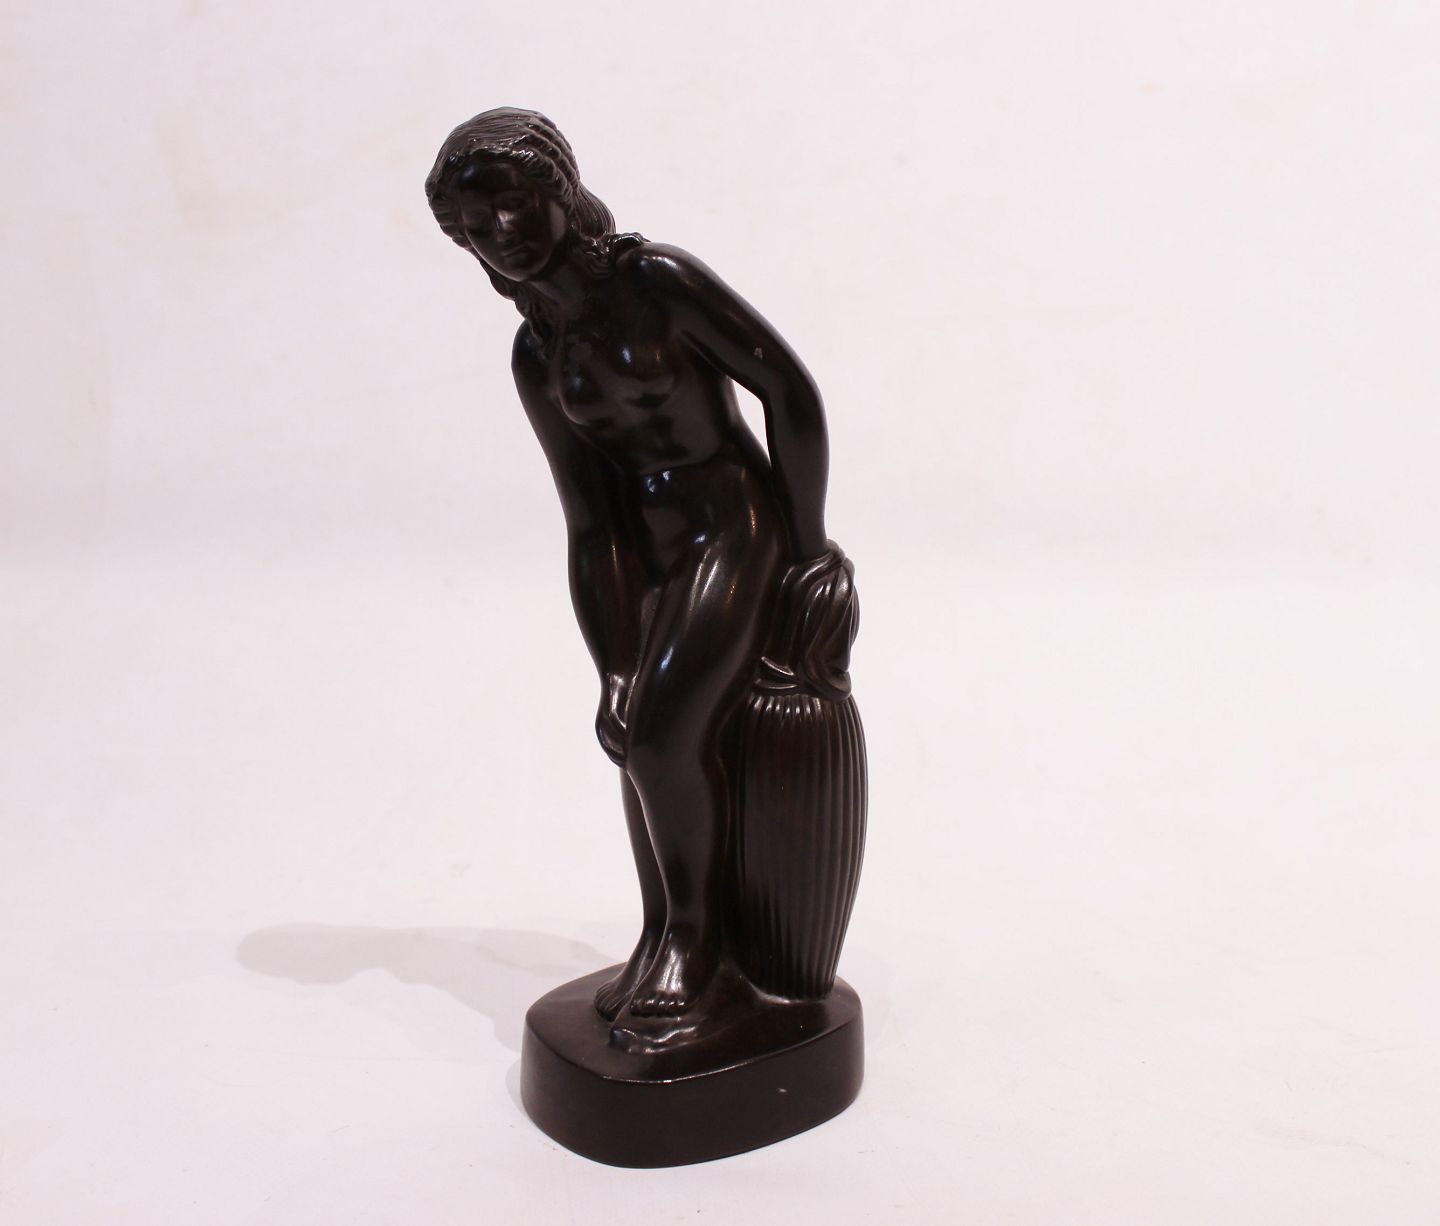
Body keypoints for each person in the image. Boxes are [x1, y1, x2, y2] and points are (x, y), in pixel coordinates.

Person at [426, 108, 849, 1025]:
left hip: (733, 526)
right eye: (475, 225)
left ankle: (695, 945)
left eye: (513, 202)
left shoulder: (657, 280)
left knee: (662, 740)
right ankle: (667, 930)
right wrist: (612, 661)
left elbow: (789, 394)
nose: (500, 233)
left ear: (561, 190)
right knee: (637, 737)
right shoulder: (537, 353)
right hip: (647, 553)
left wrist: (806, 551)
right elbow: (589, 521)